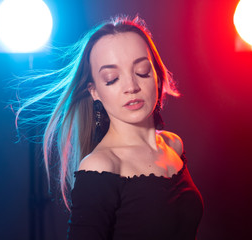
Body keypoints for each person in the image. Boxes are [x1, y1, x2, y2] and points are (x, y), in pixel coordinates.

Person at [14, 15, 203, 240]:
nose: (131, 86)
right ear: (94, 91)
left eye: (142, 71)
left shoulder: (173, 145)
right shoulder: (101, 165)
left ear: (157, 75)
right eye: (112, 79)